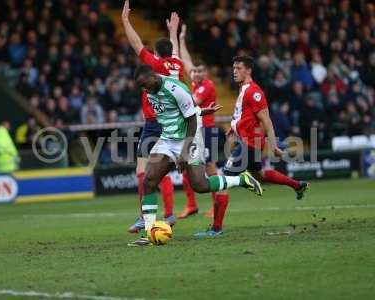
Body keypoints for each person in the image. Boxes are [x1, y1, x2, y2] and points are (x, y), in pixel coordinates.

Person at [128, 65, 263, 246]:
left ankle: (242, 180)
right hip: (167, 139)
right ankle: (149, 232)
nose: (145, 89)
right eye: (141, 87)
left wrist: (184, 152)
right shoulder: (149, 90)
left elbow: (191, 121)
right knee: (149, 181)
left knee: (200, 185)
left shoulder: (175, 88)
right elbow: (174, 111)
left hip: (189, 137)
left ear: (153, 76)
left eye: (146, 84)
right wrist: (199, 110)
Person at [194, 55, 309, 238]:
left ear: (248, 70)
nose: (234, 71)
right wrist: (233, 128)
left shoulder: (254, 92)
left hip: (249, 143)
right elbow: (245, 116)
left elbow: (266, 120)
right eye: (233, 68)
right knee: (261, 174)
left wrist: (273, 146)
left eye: (238, 68)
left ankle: (216, 228)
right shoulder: (244, 90)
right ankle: (297, 185)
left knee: (222, 181)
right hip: (248, 141)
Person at [122, 0, 182, 232]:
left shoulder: (156, 66)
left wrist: (126, 21)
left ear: (157, 53)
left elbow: (136, 44)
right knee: (161, 171)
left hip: (155, 123)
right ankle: (168, 214)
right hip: (173, 123)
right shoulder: (176, 64)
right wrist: (173, 32)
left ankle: (144, 217)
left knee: (143, 171)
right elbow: (174, 50)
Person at [177, 24, 230, 222]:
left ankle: (219, 202)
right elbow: (186, 60)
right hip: (195, 131)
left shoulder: (206, 86)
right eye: (194, 71)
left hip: (207, 131)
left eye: (200, 71)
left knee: (209, 167)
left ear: (205, 73)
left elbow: (194, 103)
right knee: (186, 164)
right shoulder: (194, 83)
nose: (196, 73)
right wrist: (181, 38)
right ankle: (191, 204)